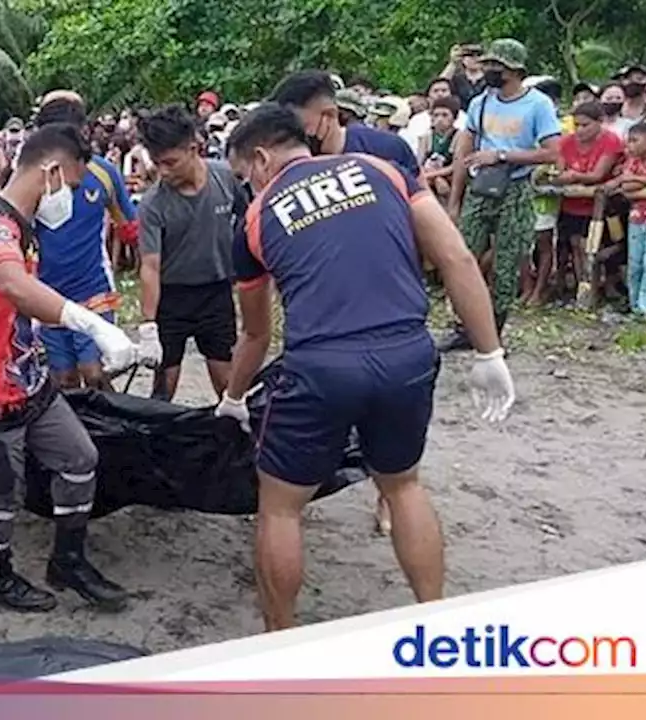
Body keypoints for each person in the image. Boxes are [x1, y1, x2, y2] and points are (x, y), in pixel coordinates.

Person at [220, 103, 515, 632]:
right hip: (407, 352)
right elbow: (457, 258)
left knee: (281, 508)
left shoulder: (256, 219)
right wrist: (490, 352)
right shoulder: (385, 171)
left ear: (261, 158)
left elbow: (257, 333)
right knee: (403, 486)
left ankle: (278, 636)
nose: (249, 185)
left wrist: (233, 397)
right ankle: (435, 616)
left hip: (321, 365)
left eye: (246, 174)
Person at [0, 122, 136, 613]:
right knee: (3, 494)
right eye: (69, 184)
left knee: (79, 457)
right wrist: (91, 324)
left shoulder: (22, 226)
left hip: (25, 375)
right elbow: (12, 285)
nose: (69, 197)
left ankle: (67, 559)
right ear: (50, 172)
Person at [439, 38, 561, 351]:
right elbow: (464, 152)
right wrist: (455, 201)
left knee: (506, 266)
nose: (490, 70)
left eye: (497, 66)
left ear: (515, 70)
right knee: (461, 258)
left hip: (516, 188)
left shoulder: (538, 105)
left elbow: (551, 153)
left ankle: (492, 335)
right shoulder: (481, 102)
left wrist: (503, 156)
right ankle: (462, 327)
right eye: (489, 64)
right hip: (481, 189)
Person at [136, 105, 248, 401]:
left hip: (216, 293)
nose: (163, 171)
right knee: (164, 385)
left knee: (227, 382)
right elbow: (149, 266)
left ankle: (237, 439)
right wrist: (148, 325)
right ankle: (156, 443)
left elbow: (249, 222)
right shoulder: (153, 203)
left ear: (194, 148)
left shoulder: (225, 179)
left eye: (170, 162)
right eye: (157, 163)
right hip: (172, 298)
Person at [31, 91, 139, 391]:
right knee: (63, 381)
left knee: (94, 373)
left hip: (93, 289)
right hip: (48, 296)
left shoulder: (104, 173)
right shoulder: (31, 177)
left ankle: (109, 434)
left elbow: (131, 227)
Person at [271, 70, 421, 177]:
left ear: (329, 114)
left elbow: (423, 201)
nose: (291, 133)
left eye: (297, 125)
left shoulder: (386, 147)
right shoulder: (290, 169)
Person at [549, 101, 623, 297]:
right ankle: (579, 286)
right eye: (577, 125)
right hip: (571, 203)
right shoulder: (565, 142)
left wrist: (572, 176)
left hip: (602, 205)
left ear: (600, 122)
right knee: (572, 244)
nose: (580, 130)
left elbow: (598, 175)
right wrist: (563, 176)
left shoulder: (612, 141)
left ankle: (604, 285)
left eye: (585, 125)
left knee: (598, 246)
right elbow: (558, 171)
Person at [604, 121, 646, 320]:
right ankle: (635, 304)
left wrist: (641, 181)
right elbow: (626, 186)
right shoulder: (632, 162)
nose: (630, 145)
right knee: (635, 261)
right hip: (637, 218)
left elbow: (633, 183)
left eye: (635, 141)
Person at [441, 43, 487, 107]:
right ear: (462, 58)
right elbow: (440, 86)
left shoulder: (489, 78)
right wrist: (453, 63)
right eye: (470, 55)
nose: (475, 58)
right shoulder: (456, 79)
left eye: (479, 55)